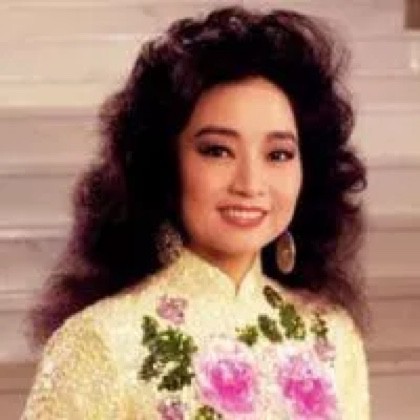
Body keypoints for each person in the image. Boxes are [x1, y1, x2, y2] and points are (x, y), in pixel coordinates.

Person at [21, 5, 370, 419]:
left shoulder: (331, 336)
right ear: (165, 163)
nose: (250, 183)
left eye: (278, 154)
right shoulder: (102, 343)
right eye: (217, 150)